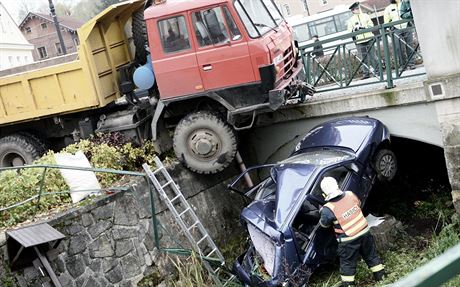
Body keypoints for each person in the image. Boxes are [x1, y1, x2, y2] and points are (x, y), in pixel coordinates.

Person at [319, 177, 385, 287]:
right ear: (337, 186)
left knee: (348, 264)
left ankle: (348, 285)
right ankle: (381, 278)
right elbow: (358, 204)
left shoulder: (328, 209)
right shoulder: (350, 194)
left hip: (348, 240)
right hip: (364, 232)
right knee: (371, 256)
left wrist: (321, 212)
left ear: (324, 194)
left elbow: (324, 224)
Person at [347, 2, 379, 79]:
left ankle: (378, 71)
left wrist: (363, 27)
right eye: (356, 9)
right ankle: (366, 74)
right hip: (359, 41)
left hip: (369, 38)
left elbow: (371, 25)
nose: (358, 9)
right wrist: (355, 29)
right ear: (353, 11)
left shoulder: (365, 16)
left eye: (358, 8)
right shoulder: (350, 20)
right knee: (363, 58)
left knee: (373, 56)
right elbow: (349, 31)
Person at [399, 0, 416, 69]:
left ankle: (411, 63)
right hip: (399, 28)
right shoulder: (404, 2)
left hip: (409, 26)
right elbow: (402, 14)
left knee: (410, 46)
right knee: (401, 48)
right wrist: (410, 13)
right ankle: (405, 65)